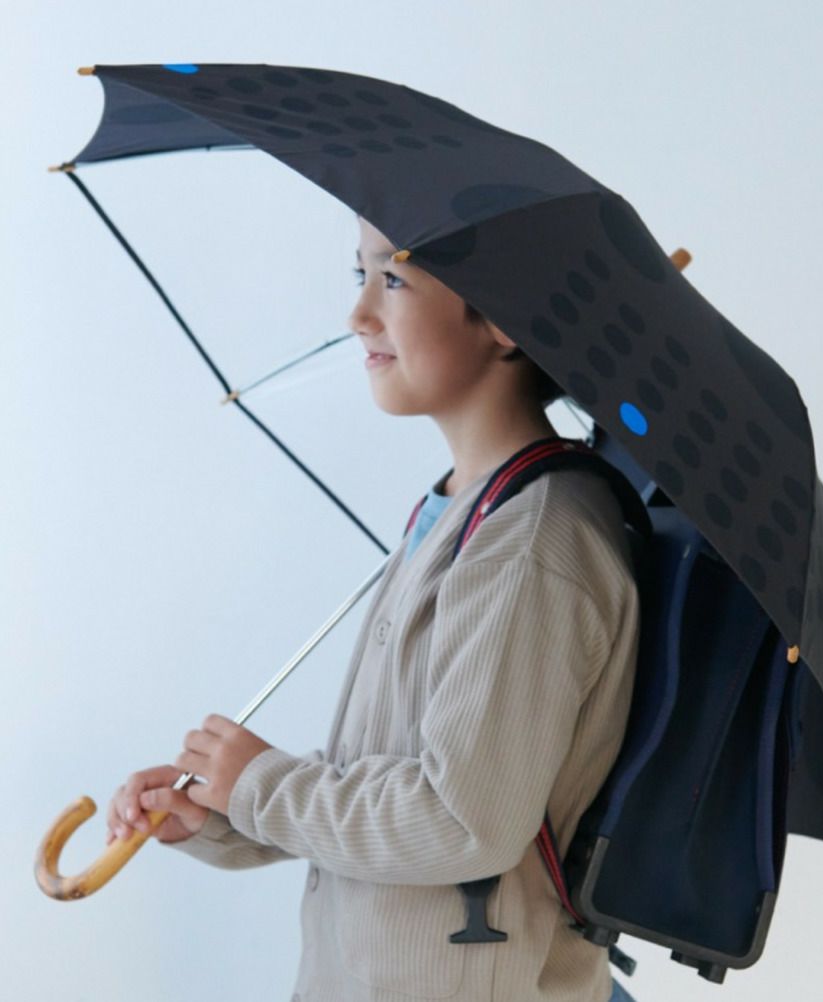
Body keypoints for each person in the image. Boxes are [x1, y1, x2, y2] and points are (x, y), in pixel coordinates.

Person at [106, 216, 640, 1002]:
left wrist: (260, 786)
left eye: (393, 279)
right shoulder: (462, 509)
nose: (358, 313)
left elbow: (461, 821)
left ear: (503, 316)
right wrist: (224, 810)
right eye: (359, 276)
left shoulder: (530, 544)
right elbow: (390, 773)